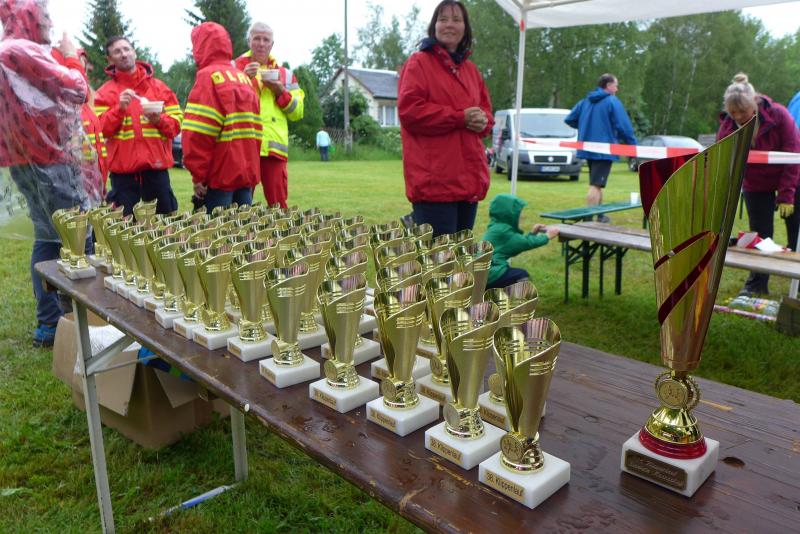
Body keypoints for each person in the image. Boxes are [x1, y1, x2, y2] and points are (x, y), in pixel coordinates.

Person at [0, 0, 92, 347]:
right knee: (77, 236)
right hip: (50, 162)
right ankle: (77, 319)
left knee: (47, 236)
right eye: (46, 16)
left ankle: (52, 323)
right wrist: (71, 57)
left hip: (22, 161)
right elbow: (76, 90)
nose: (51, 24)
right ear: (30, 16)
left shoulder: (8, 51)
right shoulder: (20, 50)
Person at [398, 0, 493, 237]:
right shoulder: (419, 63)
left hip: (468, 182)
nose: (450, 25)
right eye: (443, 19)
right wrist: (459, 118)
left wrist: (484, 122)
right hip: (435, 183)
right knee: (441, 257)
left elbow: (486, 113)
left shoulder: (471, 71)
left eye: (456, 20)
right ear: (434, 26)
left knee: (461, 253)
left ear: (465, 28)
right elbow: (410, 111)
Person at [717, 73, 800, 296]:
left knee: (797, 228)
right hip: (756, 182)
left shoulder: (779, 115)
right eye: (733, 112)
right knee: (760, 233)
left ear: (754, 103)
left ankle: (798, 280)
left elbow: (794, 153)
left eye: (743, 111)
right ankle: (757, 282)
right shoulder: (727, 124)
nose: (738, 116)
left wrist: (787, 194)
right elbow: (723, 159)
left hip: (791, 176)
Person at [94, 36, 182, 216]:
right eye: (117, 52)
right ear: (110, 60)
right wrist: (119, 109)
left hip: (156, 170)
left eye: (126, 49)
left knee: (164, 225)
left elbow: (176, 126)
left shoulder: (160, 88)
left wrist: (158, 120)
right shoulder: (104, 93)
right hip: (123, 175)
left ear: (134, 52)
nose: (123, 54)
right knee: (125, 228)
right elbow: (101, 130)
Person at [182, 22, 261, 211]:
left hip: (219, 177)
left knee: (218, 229)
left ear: (200, 46)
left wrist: (198, 176)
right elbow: (257, 133)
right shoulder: (244, 79)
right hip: (245, 175)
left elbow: (198, 133)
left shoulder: (207, 77)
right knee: (243, 227)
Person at [235, 22, 304, 209]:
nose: (261, 43)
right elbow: (225, 104)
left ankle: (281, 229)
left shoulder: (285, 75)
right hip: (243, 146)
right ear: (249, 41)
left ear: (272, 44)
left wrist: (280, 91)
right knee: (240, 205)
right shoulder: (234, 69)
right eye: (257, 38)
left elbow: (297, 112)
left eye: (266, 40)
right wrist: (243, 80)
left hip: (274, 150)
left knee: (278, 205)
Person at [565, 73, 637, 222]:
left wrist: (586, 127)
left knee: (597, 183)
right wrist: (633, 146)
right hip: (604, 150)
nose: (617, 89)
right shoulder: (612, 101)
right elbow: (624, 126)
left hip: (588, 148)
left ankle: (600, 215)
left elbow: (570, 119)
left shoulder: (585, 101)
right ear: (608, 86)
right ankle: (588, 219)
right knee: (596, 184)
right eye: (616, 86)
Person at [483, 194, 559, 289]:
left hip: (485, 272)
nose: (521, 216)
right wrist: (547, 236)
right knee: (521, 276)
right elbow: (526, 243)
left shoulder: (497, 227)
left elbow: (517, 243)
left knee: (511, 272)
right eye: (518, 213)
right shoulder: (503, 231)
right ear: (508, 213)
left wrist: (532, 233)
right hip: (491, 274)